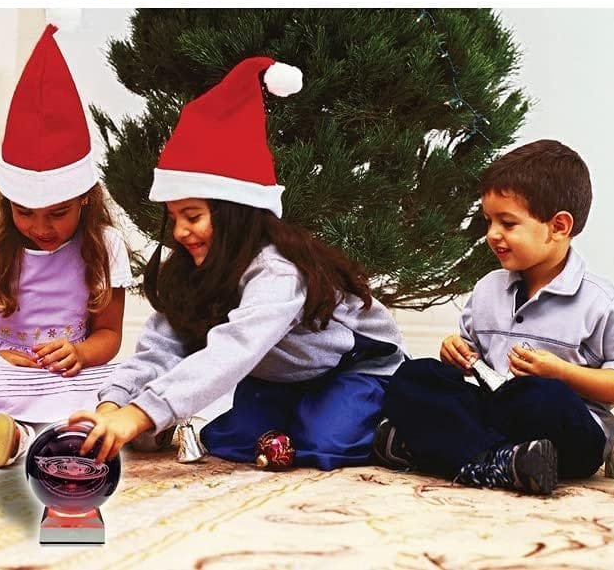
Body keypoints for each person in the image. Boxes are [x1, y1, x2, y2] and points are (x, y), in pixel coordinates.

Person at [71, 56, 406, 467]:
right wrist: (114, 405)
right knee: (231, 441)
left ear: (234, 212)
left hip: (353, 370)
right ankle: (297, 415)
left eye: (192, 216)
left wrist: (142, 415)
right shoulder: (192, 269)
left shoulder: (278, 271)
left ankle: (394, 424)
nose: (179, 232)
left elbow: (234, 349)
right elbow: (160, 348)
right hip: (278, 379)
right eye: (174, 218)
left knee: (323, 443)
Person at [0, 24, 133, 467]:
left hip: (64, 371)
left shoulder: (105, 246)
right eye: (24, 213)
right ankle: (5, 433)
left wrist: (80, 354)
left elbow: (109, 334)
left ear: (84, 199)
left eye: (57, 213)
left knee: (125, 381)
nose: (40, 227)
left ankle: (94, 426)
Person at [376, 140, 614, 495]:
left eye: (508, 223)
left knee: (542, 394)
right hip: (495, 414)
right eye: (489, 221)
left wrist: (562, 373)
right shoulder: (487, 288)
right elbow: (471, 358)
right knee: (415, 375)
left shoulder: (599, 301)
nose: (492, 234)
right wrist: (456, 353)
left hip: (565, 431)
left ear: (558, 226)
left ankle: (430, 448)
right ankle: (500, 461)